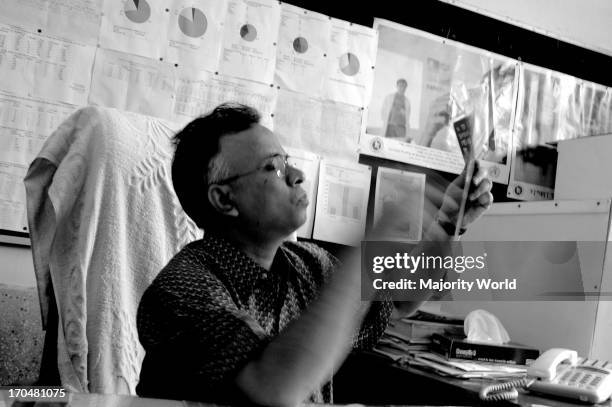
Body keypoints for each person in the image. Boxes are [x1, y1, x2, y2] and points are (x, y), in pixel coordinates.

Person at [136, 103, 493, 406]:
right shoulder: (183, 289)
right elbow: (272, 388)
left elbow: (398, 300)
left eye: (287, 161)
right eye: (272, 167)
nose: (297, 175)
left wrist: (446, 223)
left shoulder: (307, 264)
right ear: (224, 200)